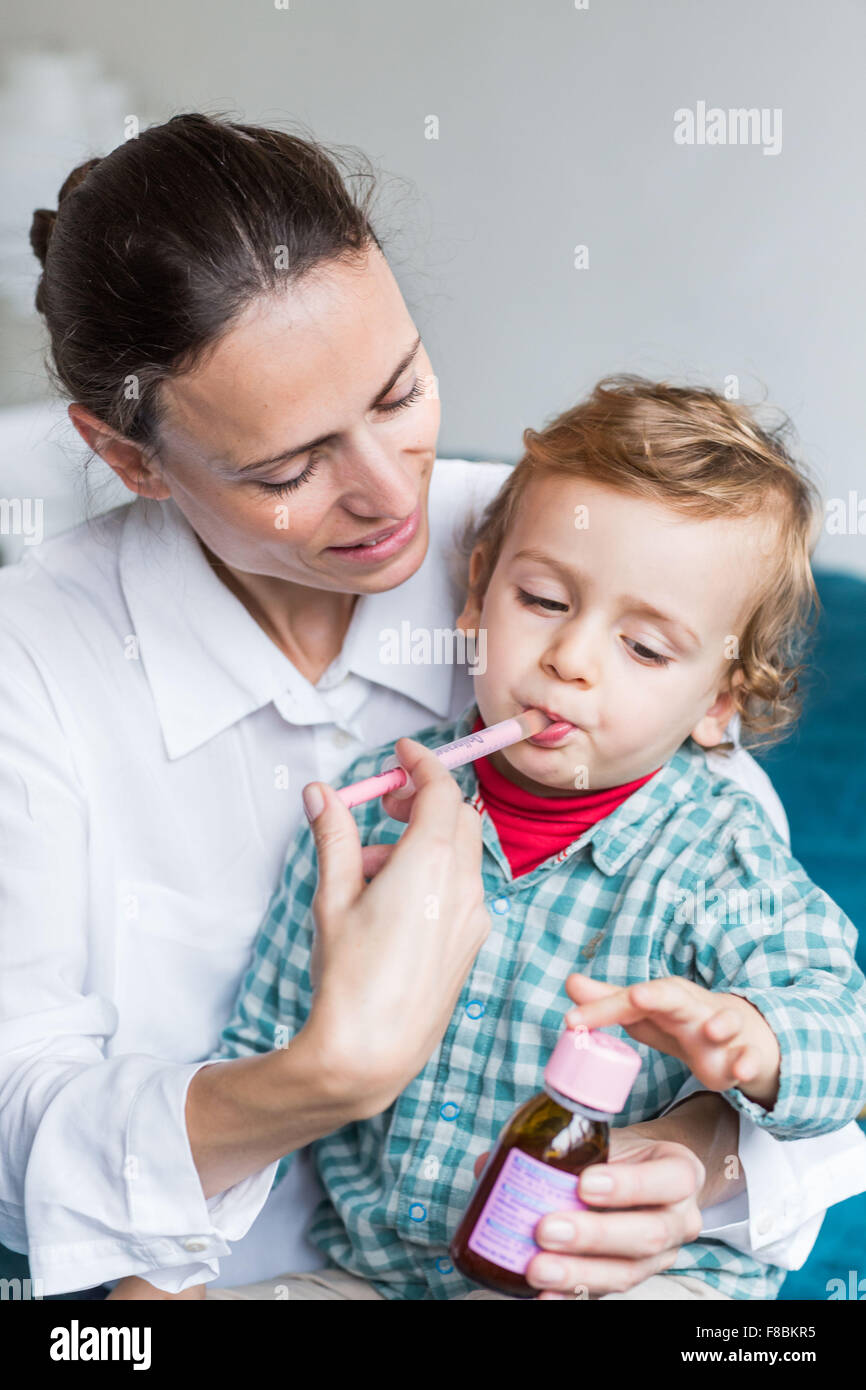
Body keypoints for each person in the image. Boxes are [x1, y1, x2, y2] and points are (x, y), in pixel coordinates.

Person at [1, 113, 862, 1301]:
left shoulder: (565, 540)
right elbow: (20, 1120)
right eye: (287, 469)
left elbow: (798, 1048)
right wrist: (329, 1074)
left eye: (400, 391)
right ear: (131, 458)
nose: (386, 490)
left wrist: (686, 1160)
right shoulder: (34, 662)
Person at [120, 376, 866, 1301]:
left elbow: (846, 1034)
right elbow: (258, 1060)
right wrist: (170, 1271)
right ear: (477, 596)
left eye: (644, 649)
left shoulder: (721, 854)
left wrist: (763, 1039)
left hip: (613, 1280)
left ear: (720, 703)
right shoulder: (372, 812)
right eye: (545, 600)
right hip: (381, 1276)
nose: (571, 659)